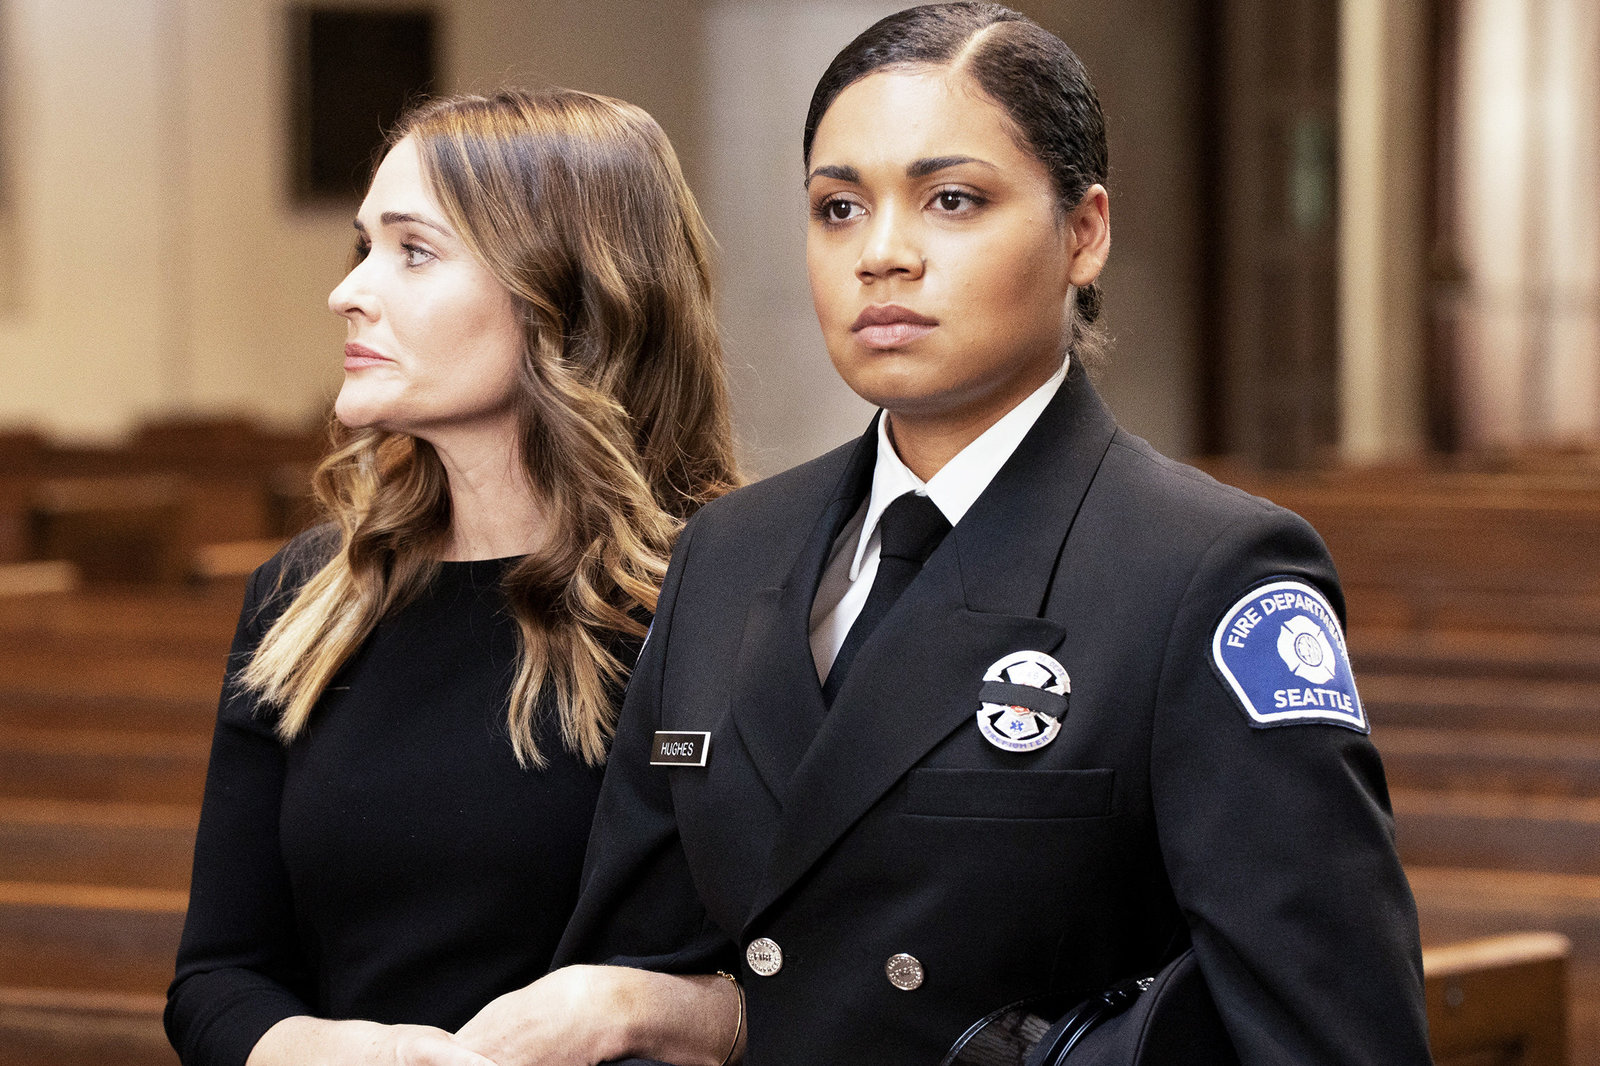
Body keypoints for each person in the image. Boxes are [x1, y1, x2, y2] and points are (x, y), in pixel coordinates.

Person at [553, 5, 1434, 1065]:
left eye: (952, 200)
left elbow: (1330, 1036)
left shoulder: (1205, 574)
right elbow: (636, 970)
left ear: (1084, 233)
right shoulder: (729, 552)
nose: (881, 255)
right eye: (838, 208)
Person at [164, 88, 743, 1066]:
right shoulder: (306, 597)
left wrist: (633, 1011)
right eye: (364, 246)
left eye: (414, 251)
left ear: (566, 293)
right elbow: (219, 977)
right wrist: (363, 1057)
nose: (348, 291)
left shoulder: (732, 595)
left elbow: (845, 984)